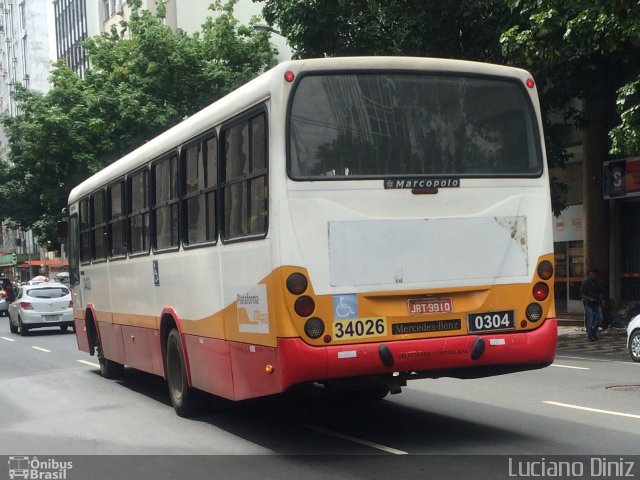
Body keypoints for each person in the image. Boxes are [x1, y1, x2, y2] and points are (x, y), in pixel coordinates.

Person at [580, 268, 603, 342]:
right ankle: (590, 336)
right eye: (592, 275)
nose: (593, 276)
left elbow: (599, 292)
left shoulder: (596, 282)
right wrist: (589, 298)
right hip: (588, 303)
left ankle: (593, 332)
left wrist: (602, 300)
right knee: (589, 319)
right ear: (589, 275)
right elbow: (582, 294)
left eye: (594, 275)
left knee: (600, 319)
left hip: (596, 303)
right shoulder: (585, 282)